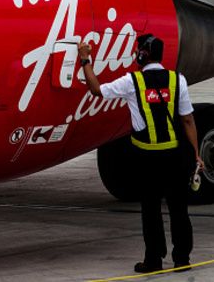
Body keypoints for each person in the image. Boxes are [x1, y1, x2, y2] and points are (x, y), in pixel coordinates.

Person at [77, 33, 204, 273]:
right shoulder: (178, 80)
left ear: (141, 55)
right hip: (176, 157)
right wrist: (196, 154)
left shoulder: (131, 82)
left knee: (151, 211)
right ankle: (182, 259)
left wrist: (85, 60)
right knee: (179, 209)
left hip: (147, 158)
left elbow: (95, 90)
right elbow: (188, 120)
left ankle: (154, 260)